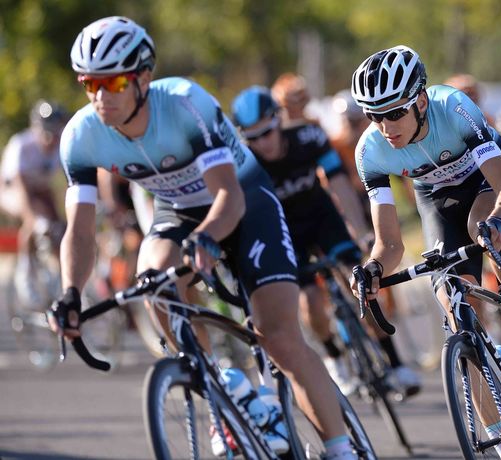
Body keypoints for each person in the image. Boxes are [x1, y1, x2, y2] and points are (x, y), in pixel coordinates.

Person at [48, 16, 358, 459]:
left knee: (280, 338)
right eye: (89, 84)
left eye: (114, 82)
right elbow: (79, 230)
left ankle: (341, 449)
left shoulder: (184, 104)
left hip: (245, 201)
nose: (101, 97)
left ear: (143, 78)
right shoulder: (80, 137)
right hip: (176, 211)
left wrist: (209, 237)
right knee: (153, 282)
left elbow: (229, 196)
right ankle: (218, 385)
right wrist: (70, 292)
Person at [348, 45, 501, 457]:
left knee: (484, 230)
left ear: (420, 101)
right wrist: (372, 267)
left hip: (490, 182)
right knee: (455, 309)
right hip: (437, 197)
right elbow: (389, 242)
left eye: (394, 113)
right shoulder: (370, 150)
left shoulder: (453, 107)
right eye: (374, 115)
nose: (385, 126)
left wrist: (498, 224)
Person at [231, 85, 421, 397]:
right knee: (310, 303)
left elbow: (340, 185)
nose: (263, 143)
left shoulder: (308, 137)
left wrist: (361, 231)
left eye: (267, 132)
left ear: (278, 120)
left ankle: (395, 361)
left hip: (323, 218)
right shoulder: (245, 163)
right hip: (285, 232)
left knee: (360, 283)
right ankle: (334, 355)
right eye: (253, 138)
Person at [0, 99, 68, 307]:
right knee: (34, 220)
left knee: (60, 229)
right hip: (11, 190)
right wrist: (35, 219)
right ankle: (25, 271)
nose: (51, 140)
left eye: (56, 134)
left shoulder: (61, 147)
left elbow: (64, 185)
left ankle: (60, 279)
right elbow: (20, 188)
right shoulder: (21, 145)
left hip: (40, 191)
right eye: (47, 134)